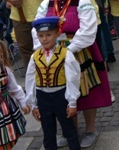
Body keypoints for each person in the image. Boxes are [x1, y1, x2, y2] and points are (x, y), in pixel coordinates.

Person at [34, 0, 112, 149]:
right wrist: (43, 48)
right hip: (52, 52)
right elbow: (36, 27)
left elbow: (88, 29)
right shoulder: (47, 2)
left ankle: (91, 130)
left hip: (78, 51)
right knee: (61, 91)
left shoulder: (82, 1)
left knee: (85, 91)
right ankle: (70, 128)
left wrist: (68, 51)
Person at [26, 16, 81, 150]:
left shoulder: (65, 54)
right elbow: (30, 80)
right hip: (42, 97)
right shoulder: (35, 56)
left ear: (57, 34)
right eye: (41, 35)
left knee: (69, 130)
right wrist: (33, 104)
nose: (44, 39)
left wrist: (72, 103)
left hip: (61, 96)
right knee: (48, 132)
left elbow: (72, 79)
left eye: (48, 35)